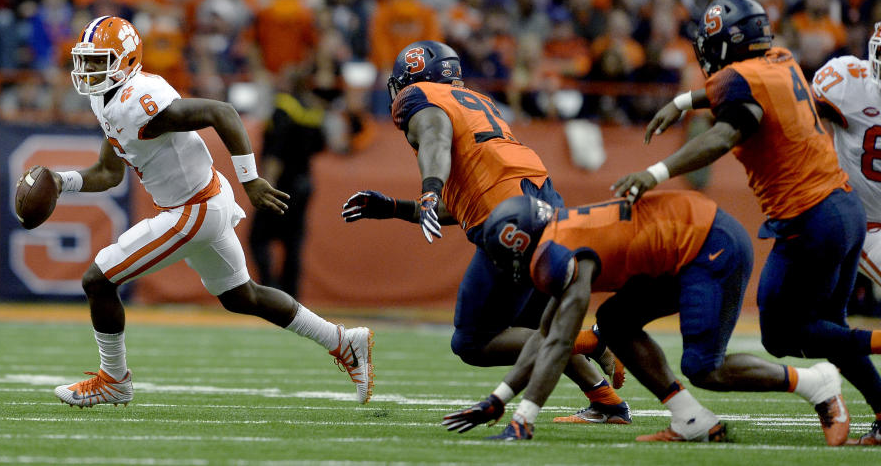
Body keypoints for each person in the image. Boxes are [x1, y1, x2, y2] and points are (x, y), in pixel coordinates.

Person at [45, 16, 373, 407]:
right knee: (242, 296)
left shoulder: (139, 101)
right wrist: (61, 182)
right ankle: (343, 341)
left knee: (98, 280)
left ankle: (113, 380)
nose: (90, 70)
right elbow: (108, 172)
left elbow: (223, 113)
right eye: (87, 60)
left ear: (126, 60)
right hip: (204, 202)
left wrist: (250, 179)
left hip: (193, 208)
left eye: (100, 60)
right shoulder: (109, 98)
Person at [612, 0, 881, 443]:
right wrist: (685, 100)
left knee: (784, 334)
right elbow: (745, 89)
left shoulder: (755, 79)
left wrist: (655, 172)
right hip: (847, 211)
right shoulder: (783, 60)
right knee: (828, 331)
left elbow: (727, 130)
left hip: (811, 217)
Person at [342, 40, 630, 424]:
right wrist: (394, 208)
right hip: (540, 199)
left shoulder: (420, 98)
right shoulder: (477, 103)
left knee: (472, 342)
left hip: (510, 215)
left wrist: (429, 188)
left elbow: (435, 136)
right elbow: (459, 208)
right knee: (532, 323)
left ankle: (593, 339)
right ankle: (606, 401)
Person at [443, 192, 848, 444]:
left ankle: (815, 382)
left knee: (706, 368)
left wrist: (522, 418)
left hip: (707, 244)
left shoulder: (563, 252)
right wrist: (497, 400)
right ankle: (691, 419)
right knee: (615, 321)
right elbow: (546, 335)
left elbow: (559, 341)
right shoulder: (558, 236)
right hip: (683, 245)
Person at [810, 22, 881, 445]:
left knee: (819, 324)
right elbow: (801, 111)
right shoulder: (846, 82)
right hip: (868, 222)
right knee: (813, 324)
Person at [249, 69, 326, 298]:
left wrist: (267, 185)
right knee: (293, 243)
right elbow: (321, 145)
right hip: (303, 183)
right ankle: (291, 297)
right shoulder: (312, 111)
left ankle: (271, 290)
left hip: (281, 185)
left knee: (258, 238)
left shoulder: (284, 108)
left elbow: (276, 148)